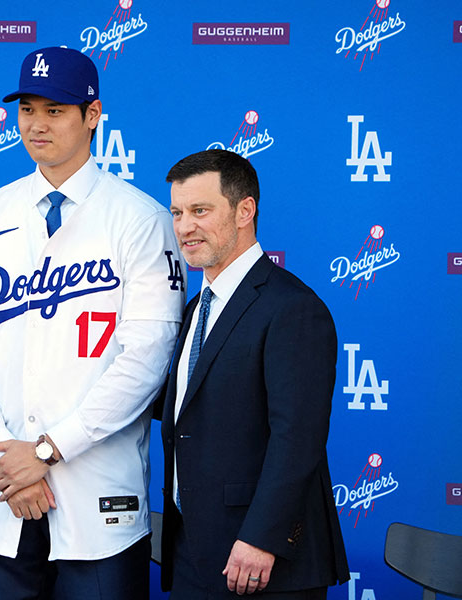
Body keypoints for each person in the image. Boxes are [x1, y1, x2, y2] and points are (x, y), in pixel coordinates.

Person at [0, 46, 186, 599]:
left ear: (92, 116)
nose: (36, 124)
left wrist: (46, 451)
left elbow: (145, 361)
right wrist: (10, 458)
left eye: (56, 110)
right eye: (28, 109)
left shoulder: (141, 220)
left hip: (97, 497)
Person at [159, 149, 350, 599]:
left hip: (263, 560)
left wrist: (262, 538)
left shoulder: (293, 308)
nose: (185, 226)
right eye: (178, 212)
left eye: (200, 210)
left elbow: (297, 437)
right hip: (194, 552)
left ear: (245, 210)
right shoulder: (193, 311)